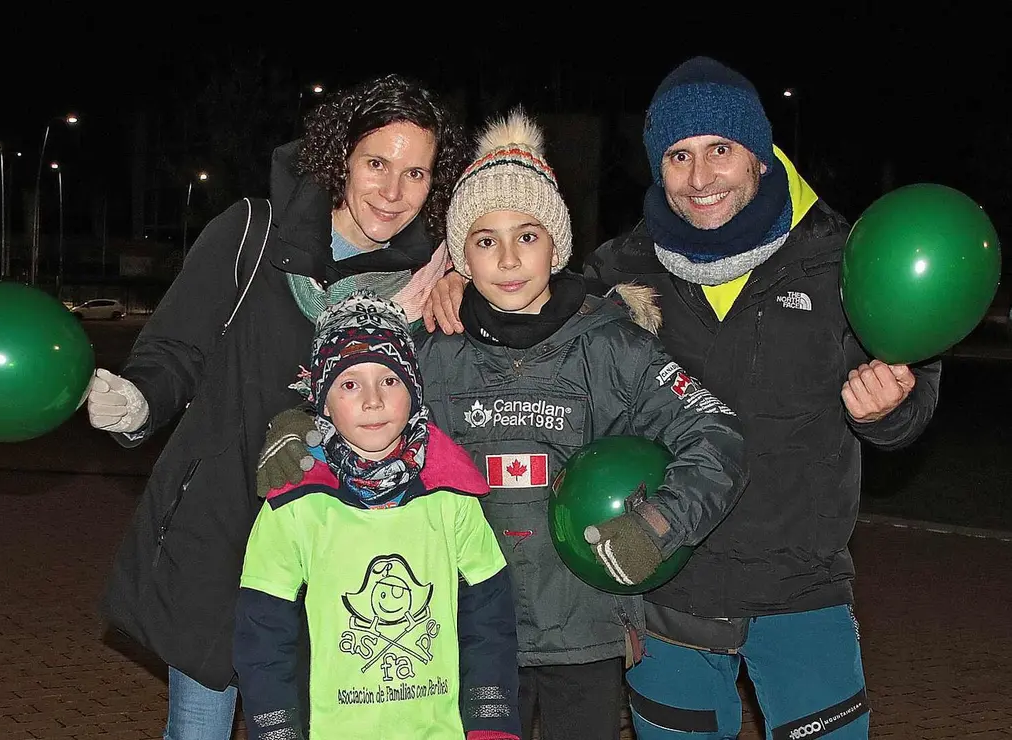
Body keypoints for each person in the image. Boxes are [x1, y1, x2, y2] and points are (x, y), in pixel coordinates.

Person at [425, 59, 942, 739]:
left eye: (720, 150)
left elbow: (912, 378)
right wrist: (452, 285)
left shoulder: (837, 260)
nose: (700, 179)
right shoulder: (620, 270)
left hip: (799, 590)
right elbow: (530, 299)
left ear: (758, 155)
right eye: (678, 156)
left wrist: (893, 409)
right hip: (665, 590)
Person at [84, 73, 471, 740]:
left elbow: (537, 285)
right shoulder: (250, 235)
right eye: (377, 163)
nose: (391, 192)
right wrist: (138, 399)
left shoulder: (431, 279)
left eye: (415, 173)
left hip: (338, 550)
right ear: (340, 156)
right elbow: (177, 348)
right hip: (223, 532)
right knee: (199, 725)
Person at [416, 109, 747, 739]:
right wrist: (299, 425)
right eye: (485, 240)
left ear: (558, 242)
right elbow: (352, 409)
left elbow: (717, 433)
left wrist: (660, 524)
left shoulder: (614, 348)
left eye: (528, 235)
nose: (508, 257)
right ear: (461, 255)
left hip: (586, 637)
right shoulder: (436, 351)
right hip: (468, 635)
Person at [234, 291, 521, 739]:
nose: (372, 401)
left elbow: (490, 623)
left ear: (414, 392)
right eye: (349, 384)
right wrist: (276, 732)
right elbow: (263, 639)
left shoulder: (452, 497)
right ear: (322, 403)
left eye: (389, 380)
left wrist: (492, 723)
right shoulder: (293, 507)